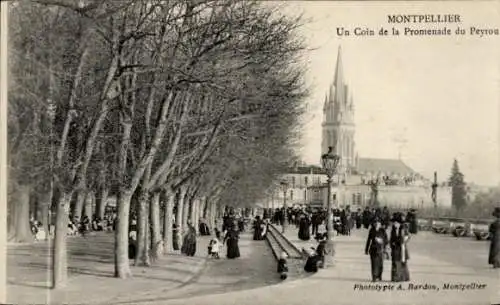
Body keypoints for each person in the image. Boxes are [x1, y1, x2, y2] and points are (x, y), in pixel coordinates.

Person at [390, 212, 411, 282]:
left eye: (395, 223)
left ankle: (404, 277)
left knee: (403, 263)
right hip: (395, 248)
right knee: (396, 263)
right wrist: (391, 244)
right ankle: (396, 277)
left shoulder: (403, 228)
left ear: (399, 223)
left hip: (401, 248)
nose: (394, 224)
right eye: (393, 223)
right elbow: (391, 238)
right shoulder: (393, 229)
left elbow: (408, 236)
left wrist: (403, 240)